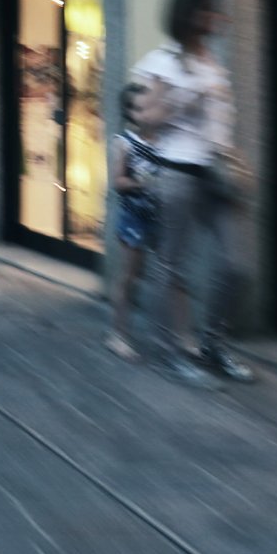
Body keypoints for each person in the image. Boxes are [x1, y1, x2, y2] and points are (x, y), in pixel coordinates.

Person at [130, 0, 255, 385]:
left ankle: (213, 343)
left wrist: (238, 159)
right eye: (209, 11)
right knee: (170, 266)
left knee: (237, 266)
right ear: (190, 16)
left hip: (217, 174)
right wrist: (183, 97)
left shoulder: (214, 64)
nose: (218, 17)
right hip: (177, 173)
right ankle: (171, 353)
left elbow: (219, 126)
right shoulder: (161, 62)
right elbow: (144, 121)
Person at [105, 81, 164, 363]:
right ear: (129, 113)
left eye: (149, 107)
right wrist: (143, 183)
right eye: (139, 109)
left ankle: (167, 335)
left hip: (160, 218)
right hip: (134, 219)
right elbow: (117, 181)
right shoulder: (124, 143)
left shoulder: (164, 142)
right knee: (129, 277)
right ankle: (118, 335)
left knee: (164, 276)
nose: (147, 114)